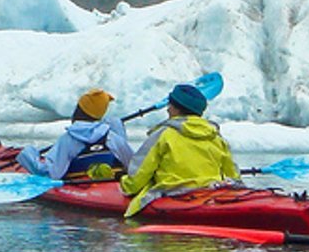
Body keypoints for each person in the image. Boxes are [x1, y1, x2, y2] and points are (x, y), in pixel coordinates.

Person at [118, 82, 239, 214]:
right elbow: (233, 176)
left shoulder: (164, 134)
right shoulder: (215, 136)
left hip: (173, 193)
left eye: (170, 105)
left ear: (176, 109)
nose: (168, 109)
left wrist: (125, 185)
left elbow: (140, 172)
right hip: (210, 191)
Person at [19, 89, 133, 181]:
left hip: (80, 184)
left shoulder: (68, 140)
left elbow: (52, 174)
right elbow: (133, 165)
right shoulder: (112, 138)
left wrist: (28, 155)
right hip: (109, 184)